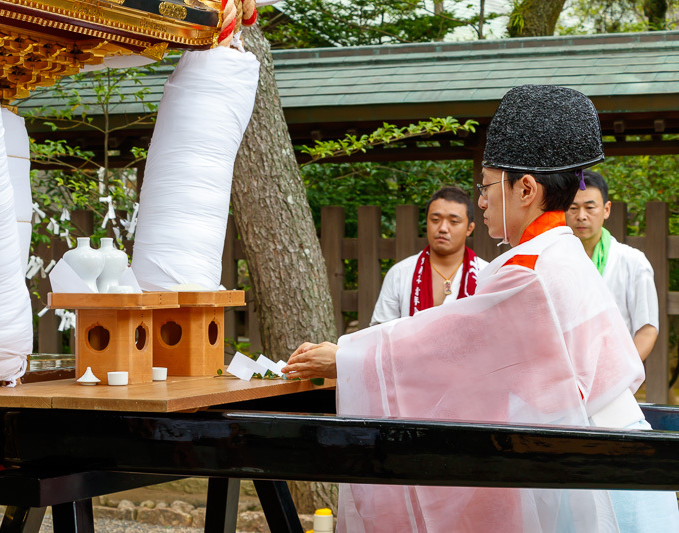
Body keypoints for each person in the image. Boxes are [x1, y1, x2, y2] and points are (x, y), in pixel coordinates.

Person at [284, 85, 679, 532]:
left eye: (488, 186)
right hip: (607, 457)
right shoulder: (560, 252)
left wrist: (348, 358)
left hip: (595, 474)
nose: (483, 200)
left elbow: (450, 345)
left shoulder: (532, 268)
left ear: (525, 188)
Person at [565, 171, 659, 361]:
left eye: (590, 207)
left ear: (606, 209)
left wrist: (622, 378)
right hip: (564, 379)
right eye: (573, 208)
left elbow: (647, 328)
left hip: (615, 374)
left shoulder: (633, 262)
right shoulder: (553, 261)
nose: (581, 216)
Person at [370, 187, 488, 325]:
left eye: (453, 221)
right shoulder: (400, 273)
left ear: (469, 228)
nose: (443, 228)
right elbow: (380, 331)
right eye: (435, 219)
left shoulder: (486, 273)